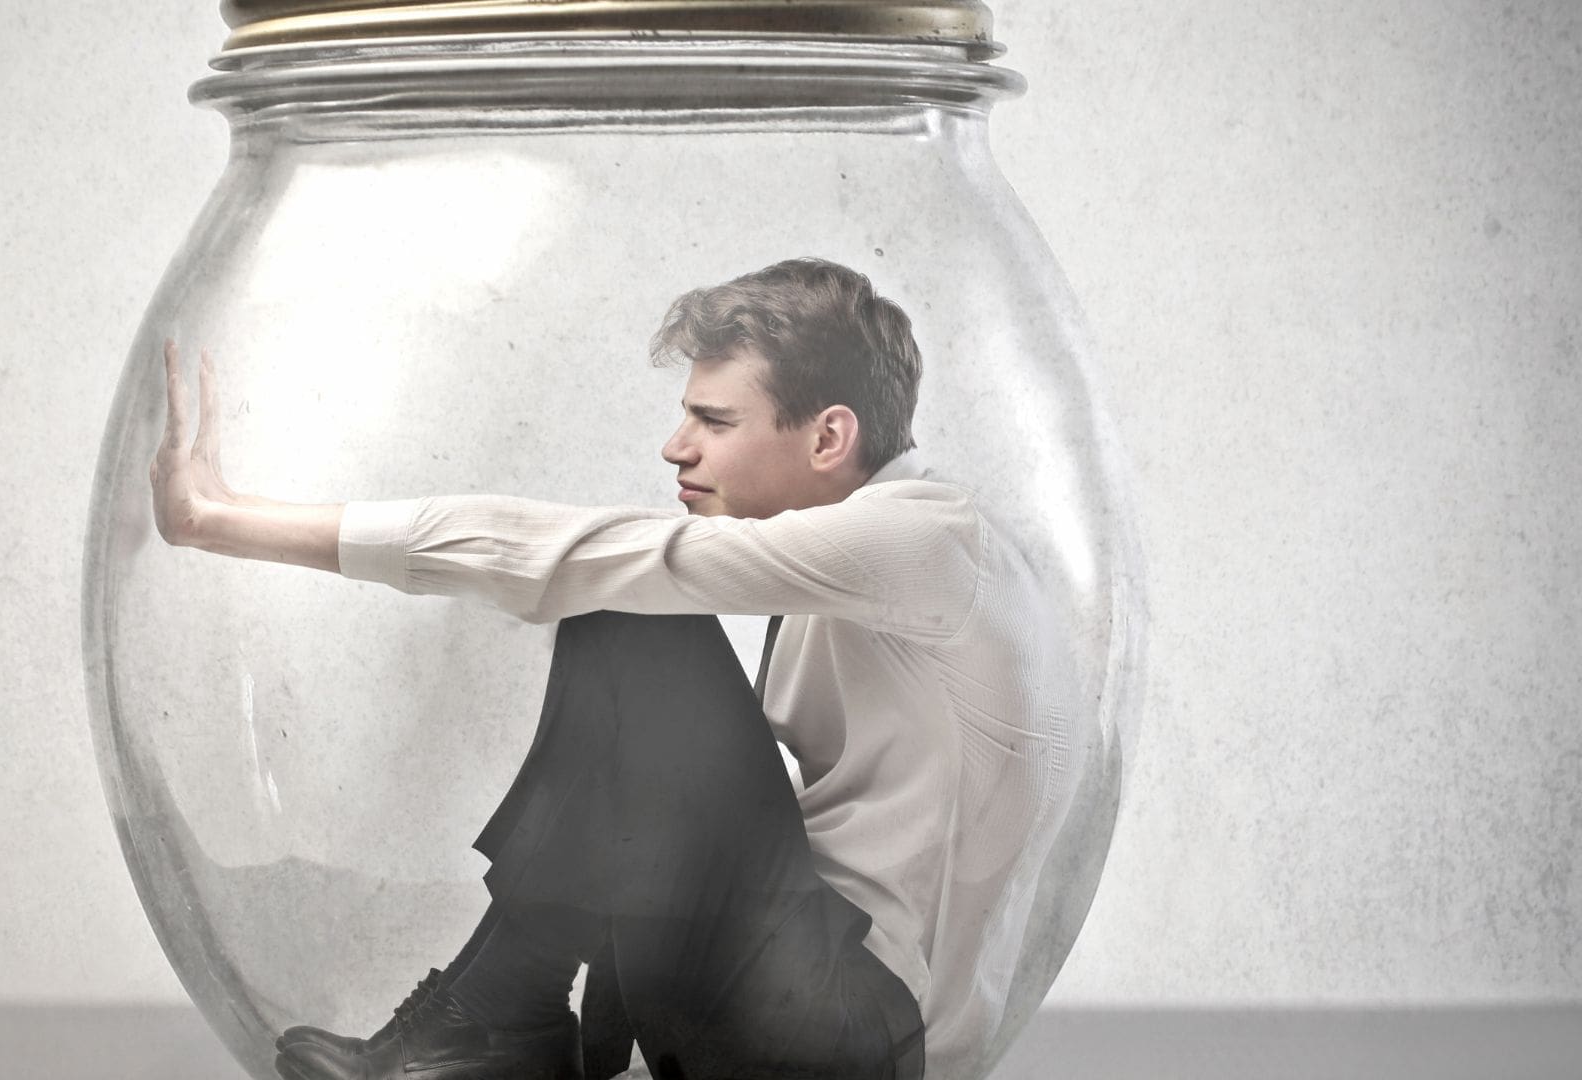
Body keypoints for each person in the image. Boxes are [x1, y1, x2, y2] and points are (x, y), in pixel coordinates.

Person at [150, 258, 1082, 1080]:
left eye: (713, 421)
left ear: (830, 438)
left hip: (850, 1034)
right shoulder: (884, 558)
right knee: (629, 601)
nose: (676, 447)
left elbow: (578, 556)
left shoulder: (924, 543)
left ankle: (500, 1022)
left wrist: (224, 520)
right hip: (817, 1008)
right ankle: (502, 1018)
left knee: (628, 608)